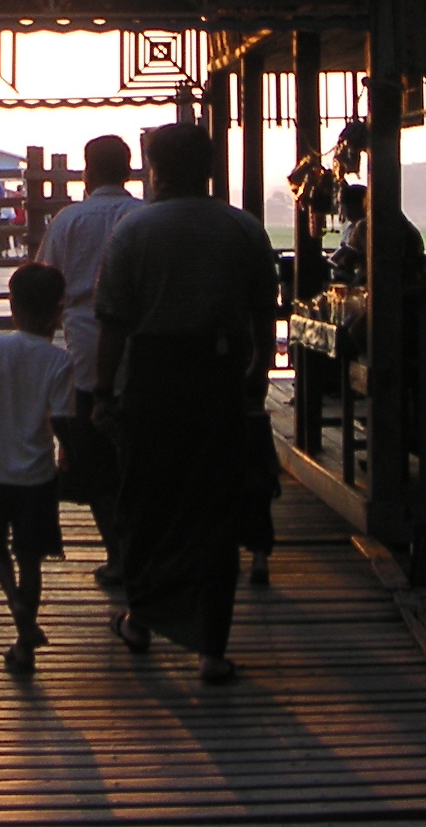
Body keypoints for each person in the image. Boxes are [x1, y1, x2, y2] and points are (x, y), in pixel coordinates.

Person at [94, 123, 277, 684]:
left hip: (153, 374)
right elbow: (263, 315)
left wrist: (104, 392)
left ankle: (143, 620)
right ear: (210, 169)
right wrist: (257, 374)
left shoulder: (134, 231)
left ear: (157, 170)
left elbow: (114, 325)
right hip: (217, 374)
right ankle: (210, 649)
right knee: (213, 505)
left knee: (147, 499)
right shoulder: (242, 228)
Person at [33, 134, 143, 584]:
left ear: (88, 172)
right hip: (140, 354)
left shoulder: (68, 221)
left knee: (97, 465)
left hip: (84, 352)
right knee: (138, 459)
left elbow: (44, 284)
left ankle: (117, 554)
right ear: (129, 169)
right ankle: (141, 550)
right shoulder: (143, 217)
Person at [0, 263, 75, 673]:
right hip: (37, 474)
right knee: (30, 556)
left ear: (13, 307)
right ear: (57, 313)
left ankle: (14, 603)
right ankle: (23, 641)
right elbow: (62, 419)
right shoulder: (59, 361)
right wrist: (69, 456)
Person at [328, 182, 426, 286]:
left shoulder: (367, 226)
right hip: (406, 285)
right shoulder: (406, 227)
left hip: (384, 288)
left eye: (343, 206)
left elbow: (347, 259)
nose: (341, 211)